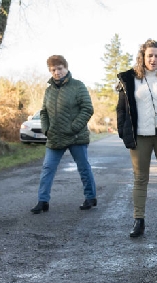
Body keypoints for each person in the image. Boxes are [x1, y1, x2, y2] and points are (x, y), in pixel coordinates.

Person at [116, 40, 157, 238]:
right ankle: (139, 221)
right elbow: (121, 109)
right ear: (142, 57)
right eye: (150, 56)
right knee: (140, 179)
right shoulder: (129, 79)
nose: (153, 60)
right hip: (140, 137)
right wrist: (123, 132)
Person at [31, 55, 96, 215]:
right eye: (53, 70)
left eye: (60, 68)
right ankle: (43, 201)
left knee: (83, 167)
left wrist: (74, 127)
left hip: (76, 137)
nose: (57, 72)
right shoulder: (48, 90)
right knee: (47, 168)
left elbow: (87, 108)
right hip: (55, 137)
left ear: (66, 68)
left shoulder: (78, 86)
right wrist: (46, 129)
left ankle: (90, 197)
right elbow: (44, 112)